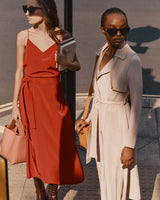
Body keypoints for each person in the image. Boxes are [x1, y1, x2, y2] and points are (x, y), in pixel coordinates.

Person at [12, 0, 84, 199]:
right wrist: (14, 106)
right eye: (24, 8)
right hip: (30, 99)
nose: (27, 13)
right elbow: (19, 72)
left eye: (32, 9)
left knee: (54, 146)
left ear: (47, 10)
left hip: (54, 99)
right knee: (33, 147)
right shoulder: (23, 36)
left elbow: (76, 65)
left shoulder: (63, 36)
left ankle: (52, 190)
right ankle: (39, 191)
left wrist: (64, 62)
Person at [75, 8, 142, 200]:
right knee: (104, 177)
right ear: (103, 30)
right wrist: (87, 119)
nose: (119, 35)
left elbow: (136, 106)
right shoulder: (101, 52)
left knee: (116, 181)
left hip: (118, 127)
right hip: (100, 127)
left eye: (124, 29)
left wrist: (129, 145)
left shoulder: (132, 60)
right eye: (113, 30)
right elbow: (98, 95)